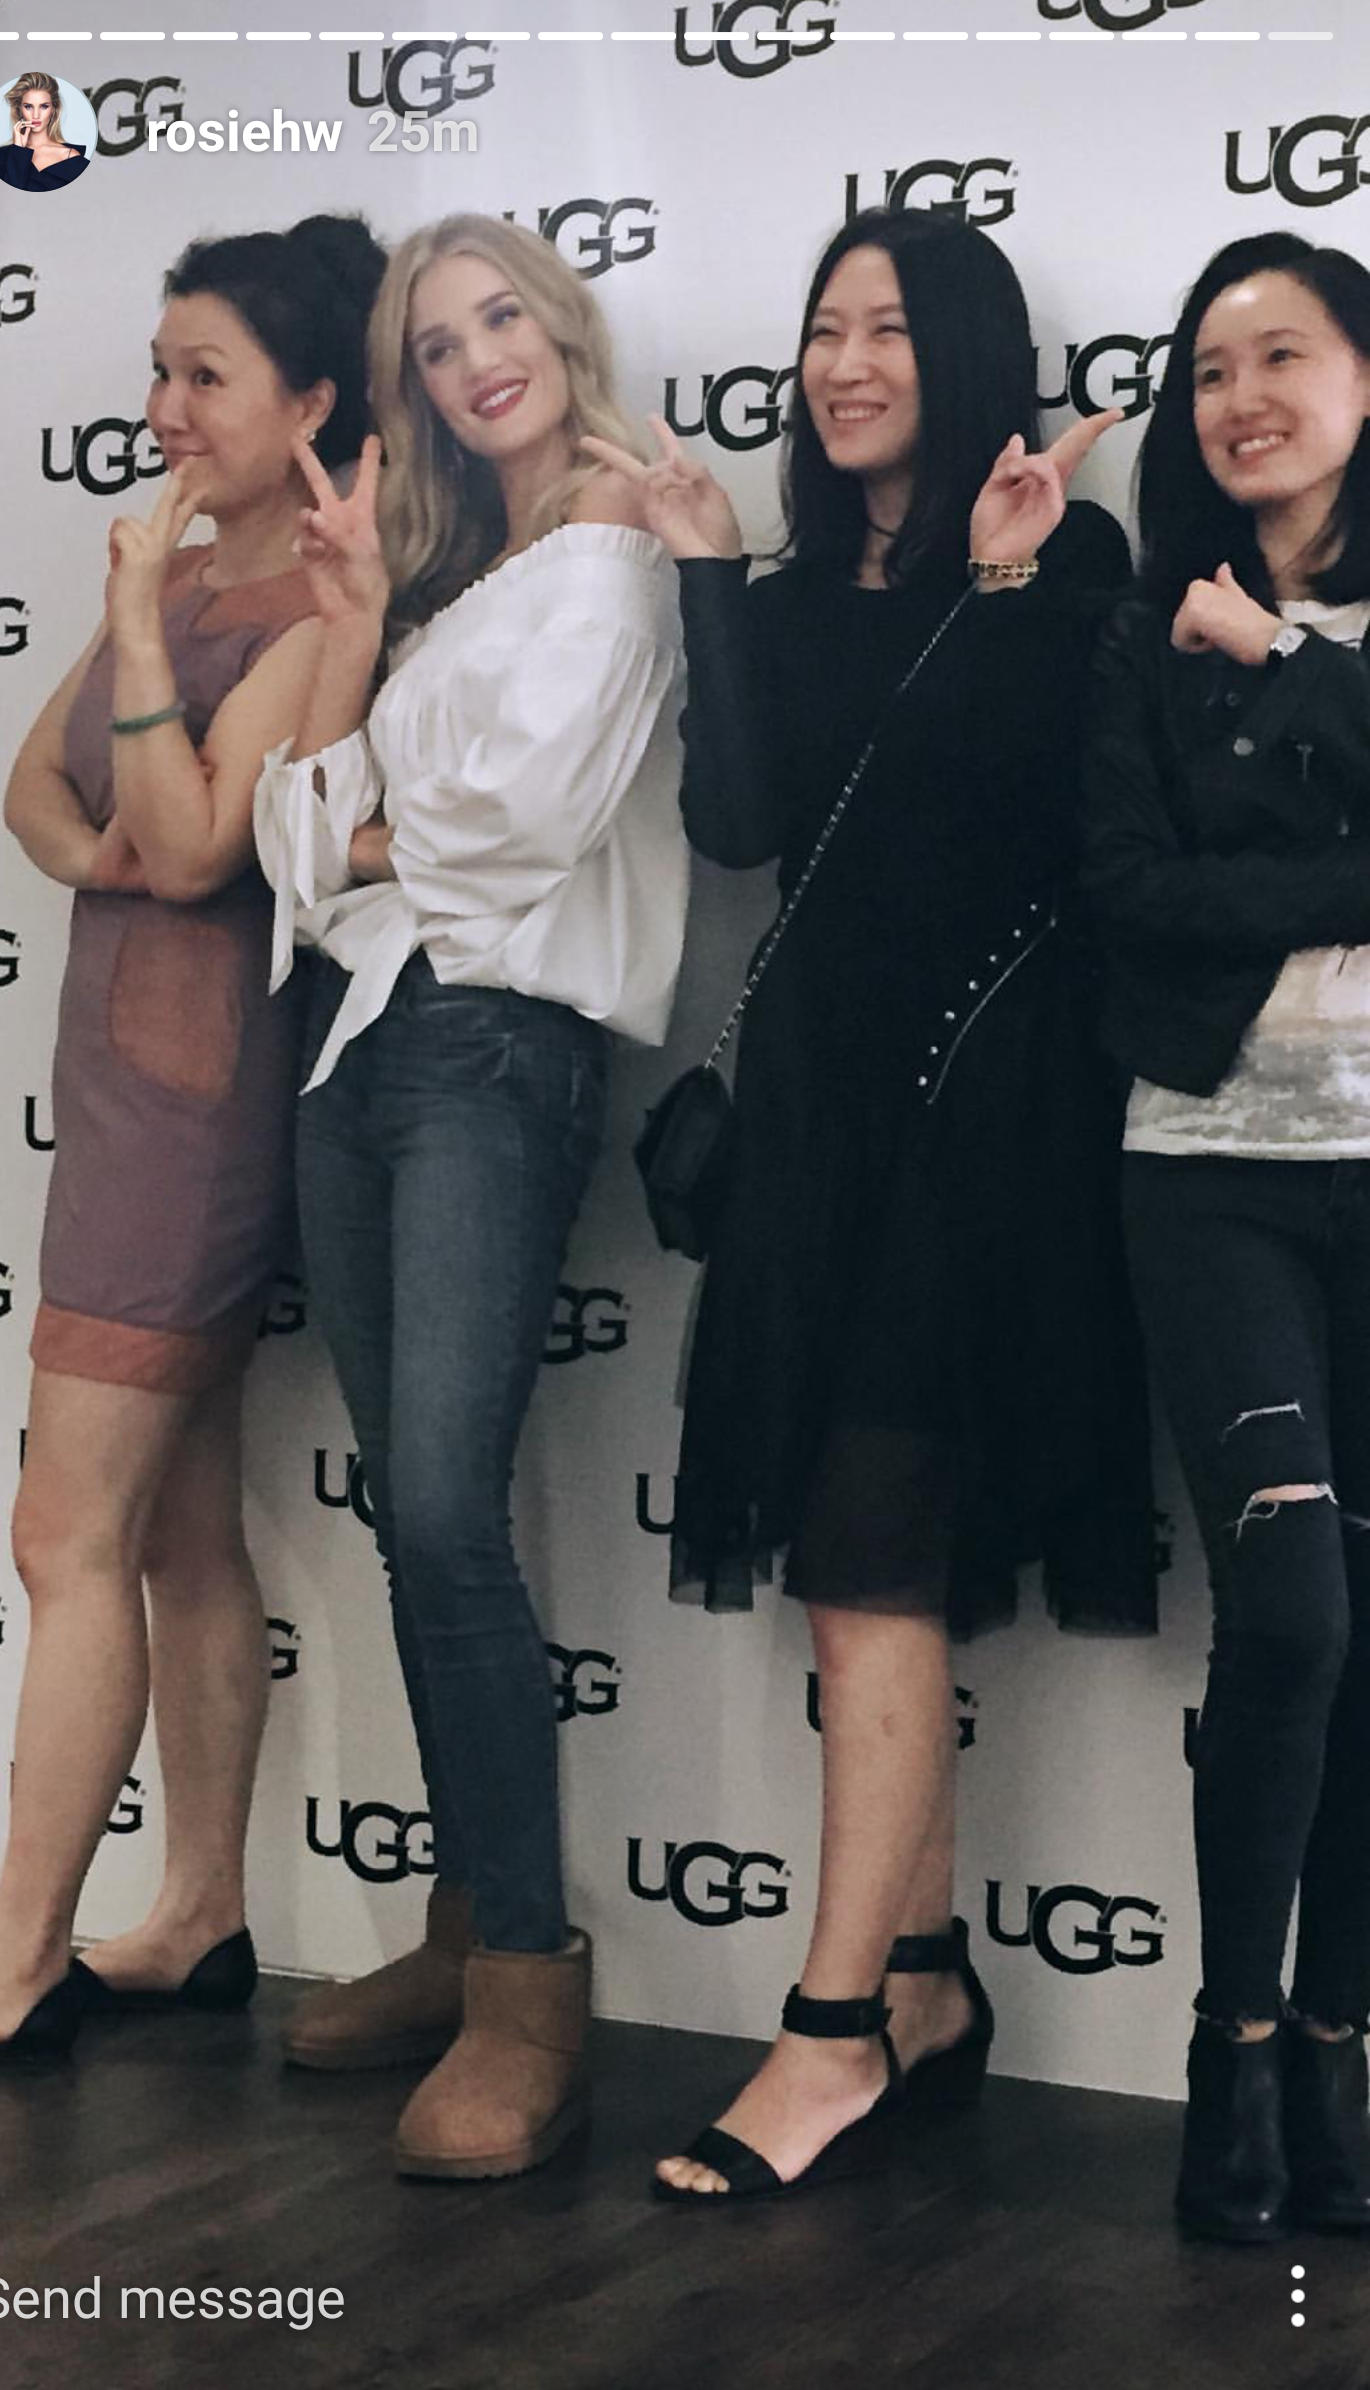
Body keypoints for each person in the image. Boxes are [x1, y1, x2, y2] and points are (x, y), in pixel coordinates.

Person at [587, 205, 1156, 2204]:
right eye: (825, 327)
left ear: (969, 350)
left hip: (985, 1125)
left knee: (871, 1559)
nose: (843, 364)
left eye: (889, 329)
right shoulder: (791, 586)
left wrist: (1002, 586)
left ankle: (827, 2032)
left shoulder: (1067, 557)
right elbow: (743, 825)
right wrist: (705, 574)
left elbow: (1055, 825)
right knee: (863, 1560)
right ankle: (922, 1979)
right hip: (822, 1126)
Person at [253, 213, 688, 2181]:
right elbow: (291, 844)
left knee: (441, 1511)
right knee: (417, 1522)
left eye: (500, 314)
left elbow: (517, 823)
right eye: (435, 344)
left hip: (494, 1047)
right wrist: (353, 667)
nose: (474, 358)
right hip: (355, 1049)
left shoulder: (615, 538)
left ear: (559, 321)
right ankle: (458, 1924)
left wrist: (361, 826)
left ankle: (528, 1980)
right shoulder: (447, 585)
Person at [0, 215, 384, 2071]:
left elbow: (203, 846)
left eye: (207, 375)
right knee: (183, 1526)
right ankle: (197, 1911)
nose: (166, 408)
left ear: (313, 403)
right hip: (122, 1085)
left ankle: (15, 1950)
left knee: (66, 1529)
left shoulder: (313, 612)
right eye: (160, 369)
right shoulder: (187, 572)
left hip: (197, 1117)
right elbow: (39, 792)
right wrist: (108, 844)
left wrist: (132, 639)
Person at [1083, 229, 1370, 2244]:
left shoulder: (1248, 645)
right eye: (1208, 370)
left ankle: (1335, 2059)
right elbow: (1127, 898)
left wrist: (1284, 664)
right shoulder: (1138, 637)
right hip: (1209, 1174)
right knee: (1293, 1623)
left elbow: (1208, 892)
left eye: (1281, 355)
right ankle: (1231, 2047)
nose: (1239, 399)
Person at [0, 72, 89, 192]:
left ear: (53, 109)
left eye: (44, 106)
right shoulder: (2, 156)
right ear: (19, 110)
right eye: (28, 107)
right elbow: (8, 197)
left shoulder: (70, 157)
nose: (36, 115)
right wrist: (18, 151)